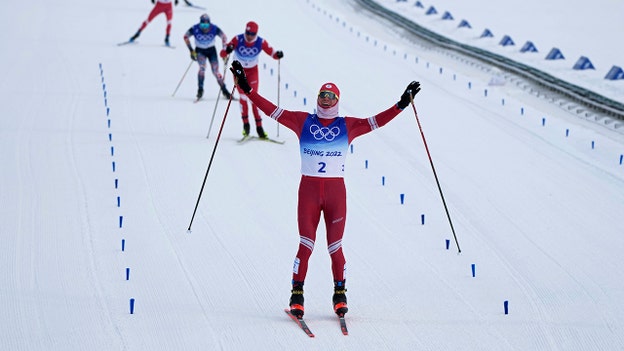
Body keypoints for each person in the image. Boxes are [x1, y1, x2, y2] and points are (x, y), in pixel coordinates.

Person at [229, 60, 421, 317]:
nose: (327, 99)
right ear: (317, 98)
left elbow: (376, 122)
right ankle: (297, 295)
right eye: (323, 95)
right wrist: (246, 89)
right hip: (308, 193)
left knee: (335, 247)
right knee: (305, 245)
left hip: (335, 195)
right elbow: (271, 110)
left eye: (331, 96)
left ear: (338, 100)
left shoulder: (348, 125)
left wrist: (402, 104)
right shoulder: (302, 121)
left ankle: (339, 294)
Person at [219, 21, 283, 139]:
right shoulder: (237, 39)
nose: (249, 36)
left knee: (254, 98)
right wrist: (228, 49)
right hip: (238, 71)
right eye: (247, 33)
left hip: (252, 71)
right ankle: (246, 126)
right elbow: (222, 53)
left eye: (252, 34)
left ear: (256, 33)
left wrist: (278, 54)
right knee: (243, 97)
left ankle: (259, 128)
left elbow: (272, 53)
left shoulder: (260, 42)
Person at [184, 14, 231, 100]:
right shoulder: (195, 28)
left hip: (211, 51)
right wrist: (191, 50)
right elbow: (185, 36)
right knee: (202, 68)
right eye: (202, 25)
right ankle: (200, 89)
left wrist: (224, 50)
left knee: (216, 71)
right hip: (200, 51)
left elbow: (224, 36)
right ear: (200, 23)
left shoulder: (214, 28)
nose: (204, 28)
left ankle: (224, 90)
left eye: (206, 25)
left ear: (209, 24)